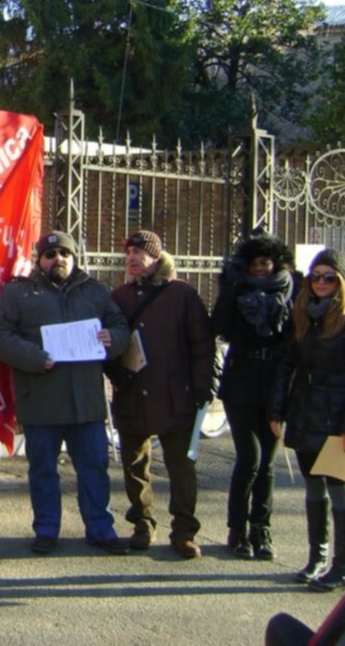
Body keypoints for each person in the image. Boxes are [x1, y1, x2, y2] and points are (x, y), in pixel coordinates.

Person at [0, 231, 131, 555]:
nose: (58, 259)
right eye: (50, 254)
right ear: (40, 260)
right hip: (41, 400)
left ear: (74, 258)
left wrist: (114, 339)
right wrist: (34, 357)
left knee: (94, 469)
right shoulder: (18, 293)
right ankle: (46, 530)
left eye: (64, 254)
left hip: (86, 403)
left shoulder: (95, 292)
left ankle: (100, 529)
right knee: (42, 471)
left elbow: (120, 326)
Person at [270, 249, 345, 592]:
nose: (321, 283)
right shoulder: (303, 313)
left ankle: (343, 565)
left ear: (341, 281)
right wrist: (278, 409)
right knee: (313, 487)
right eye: (316, 276)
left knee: (339, 488)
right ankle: (318, 556)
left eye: (329, 276)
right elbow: (288, 365)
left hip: (336, 417)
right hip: (304, 412)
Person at [106, 230, 214, 559]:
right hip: (132, 393)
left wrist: (201, 388)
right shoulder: (119, 297)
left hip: (175, 395)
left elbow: (202, 346)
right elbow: (109, 345)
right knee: (135, 465)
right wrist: (116, 374)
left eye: (140, 252)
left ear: (157, 257)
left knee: (182, 468)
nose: (133, 258)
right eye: (128, 253)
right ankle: (143, 524)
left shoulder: (183, 294)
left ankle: (183, 531)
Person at [212, 232, 297, 561]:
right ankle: (237, 529)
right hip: (241, 380)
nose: (260, 269)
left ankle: (262, 528)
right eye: (254, 264)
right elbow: (219, 326)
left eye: (265, 262)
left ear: (276, 262)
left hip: (276, 382)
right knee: (249, 458)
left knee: (268, 463)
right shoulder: (237, 289)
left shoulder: (293, 290)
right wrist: (231, 287)